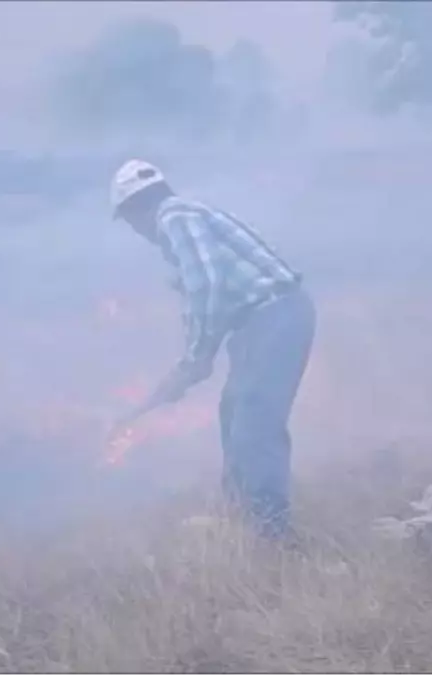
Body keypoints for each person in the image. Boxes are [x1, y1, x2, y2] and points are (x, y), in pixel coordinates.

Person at [109, 159, 316, 540]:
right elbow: (204, 296)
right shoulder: (188, 216)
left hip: (274, 317)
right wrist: (192, 362)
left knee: (254, 426)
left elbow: (207, 286)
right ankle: (241, 519)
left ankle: (273, 538)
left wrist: (197, 358)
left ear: (135, 212)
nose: (139, 233)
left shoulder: (175, 217)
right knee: (234, 413)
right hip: (259, 323)